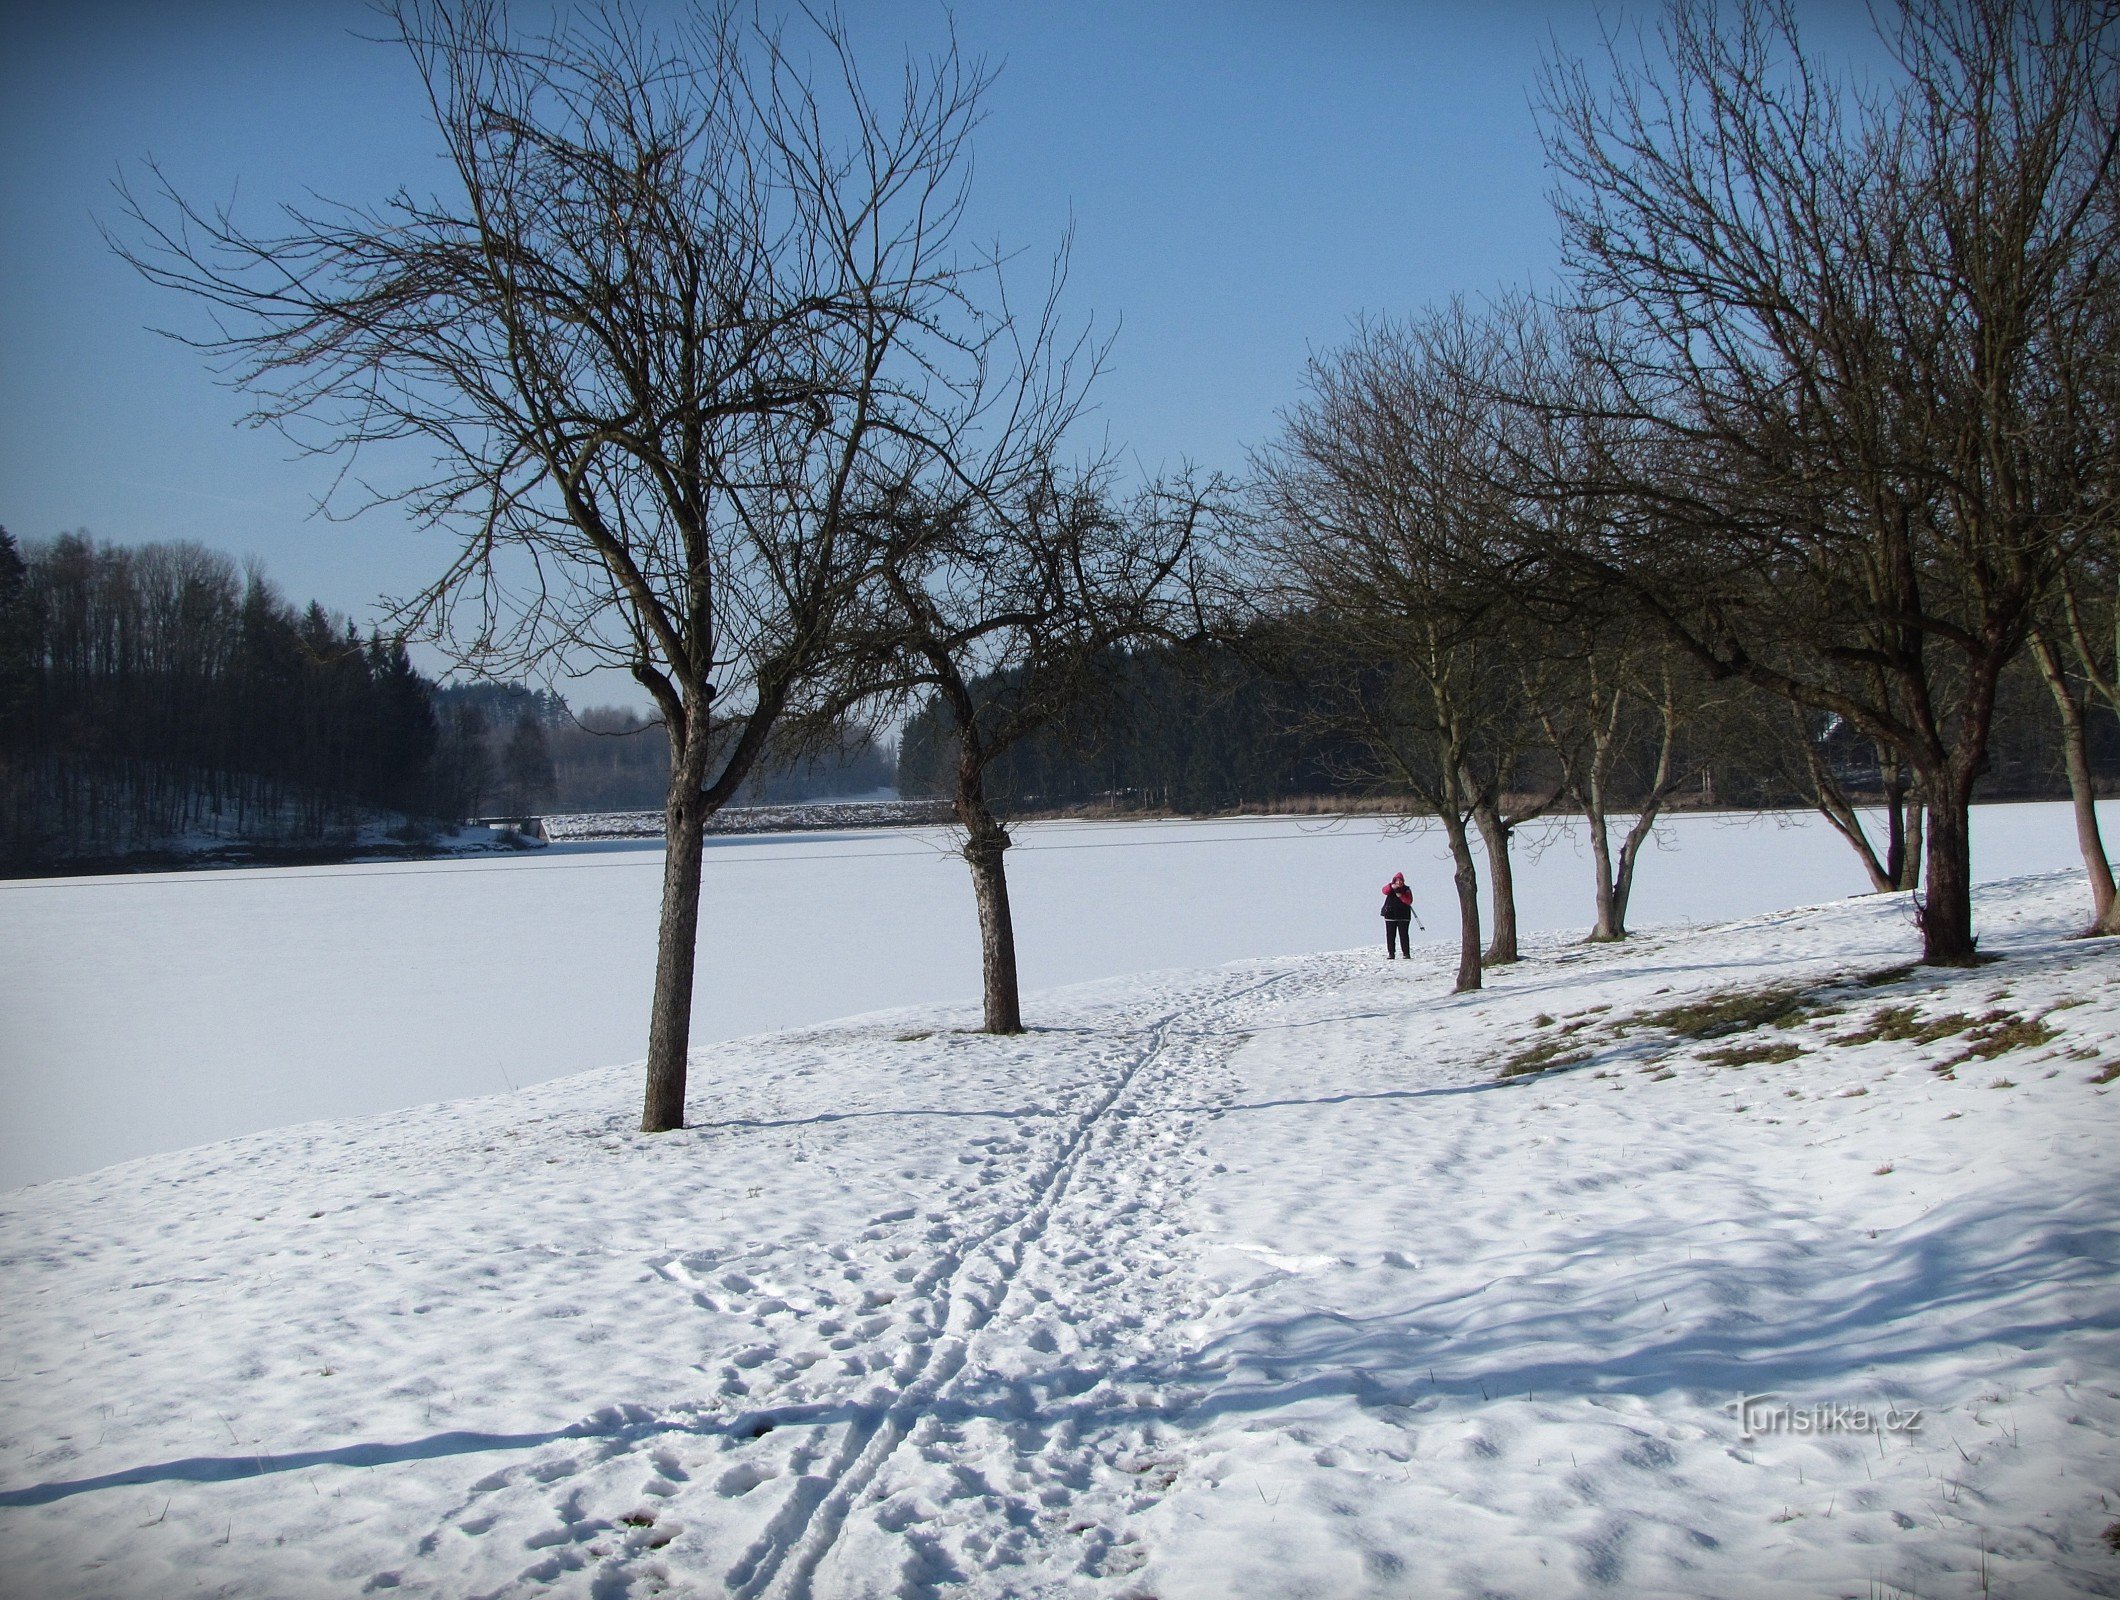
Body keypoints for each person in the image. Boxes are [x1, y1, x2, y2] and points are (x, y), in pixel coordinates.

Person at [1381, 872, 1414, 959]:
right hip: (1390, 915)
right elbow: (1384, 891)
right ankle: (1391, 953)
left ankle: (1406, 953)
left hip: (1403, 916)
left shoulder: (1406, 890)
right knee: (1390, 935)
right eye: (1397, 881)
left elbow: (1409, 901)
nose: (1399, 882)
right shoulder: (1390, 888)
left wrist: (1401, 896)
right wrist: (1391, 887)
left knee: (1404, 935)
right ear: (1394, 881)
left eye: (1401, 881)